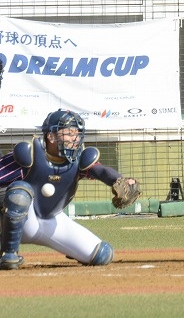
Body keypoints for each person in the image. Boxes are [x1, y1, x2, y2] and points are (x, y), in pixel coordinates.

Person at [0, 109, 141, 270]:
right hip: (17, 221)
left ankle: (71, 249)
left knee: (102, 254)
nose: (75, 138)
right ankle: (9, 254)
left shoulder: (78, 159)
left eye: (77, 134)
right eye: (69, 133)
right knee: (20, 192)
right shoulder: (29, 155)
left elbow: (100, 171)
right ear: (51, 136)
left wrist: (120, 180)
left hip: (51, 219)